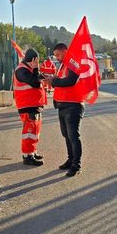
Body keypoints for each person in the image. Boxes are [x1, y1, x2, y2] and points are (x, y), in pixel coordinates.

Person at [44, 43, 84, 177]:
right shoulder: (63, 64)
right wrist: (52, 79)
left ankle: (76, 165)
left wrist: (53, 82)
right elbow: (61, 81)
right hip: (62, 105)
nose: (56, 58)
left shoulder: (72, 62)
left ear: (65, 51)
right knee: (66, 135)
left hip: (73, 105)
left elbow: (71, 80)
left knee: (73, 136)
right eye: (55, 55)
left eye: (58, 55)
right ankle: (70, 159)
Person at [13, 48, 47, 166]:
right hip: (27, 106)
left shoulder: (28, 69)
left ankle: (32, 151)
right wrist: (36, 68)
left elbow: (39, 78)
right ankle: (27, 156)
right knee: (29, 132)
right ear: (34, 59)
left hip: (34, 105)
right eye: (37, 60)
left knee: (35, 131)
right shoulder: (22, 70)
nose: (38, 62)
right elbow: (35, 82)